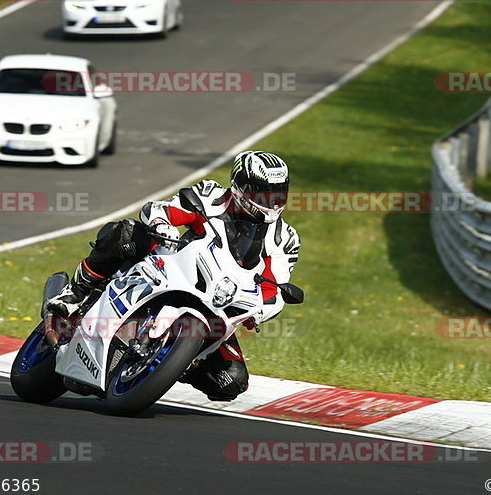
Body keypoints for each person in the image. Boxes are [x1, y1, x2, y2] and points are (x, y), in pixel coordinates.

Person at [45, 151, 301, 401]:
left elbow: (275, 287)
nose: (272, 201)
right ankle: (77, 292)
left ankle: (172, 363)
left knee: (231, 381)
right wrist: (162, 224)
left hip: (217, 301)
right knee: (126, 233)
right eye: (263, 193)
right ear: (240, 186)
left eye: (278, 193)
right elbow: (162, 209)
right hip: (174, 267)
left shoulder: (285, 239)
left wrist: (261, 310)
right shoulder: (210, 196)